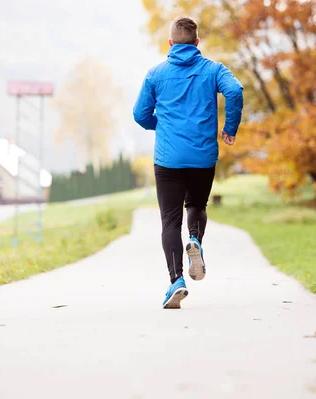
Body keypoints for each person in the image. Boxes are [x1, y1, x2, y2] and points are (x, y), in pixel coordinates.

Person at [133, 16, 244, 309]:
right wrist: (229, 129)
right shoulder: (213, 70)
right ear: (197, 43)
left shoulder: (155, 74)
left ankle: (176, 281)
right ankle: (195, 240)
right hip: (202, 156)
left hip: (168, 158)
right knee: (196, 206)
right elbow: (235, 91)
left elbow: (139, 114)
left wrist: (162, 125)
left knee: (170, 220)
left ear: (170, 43)